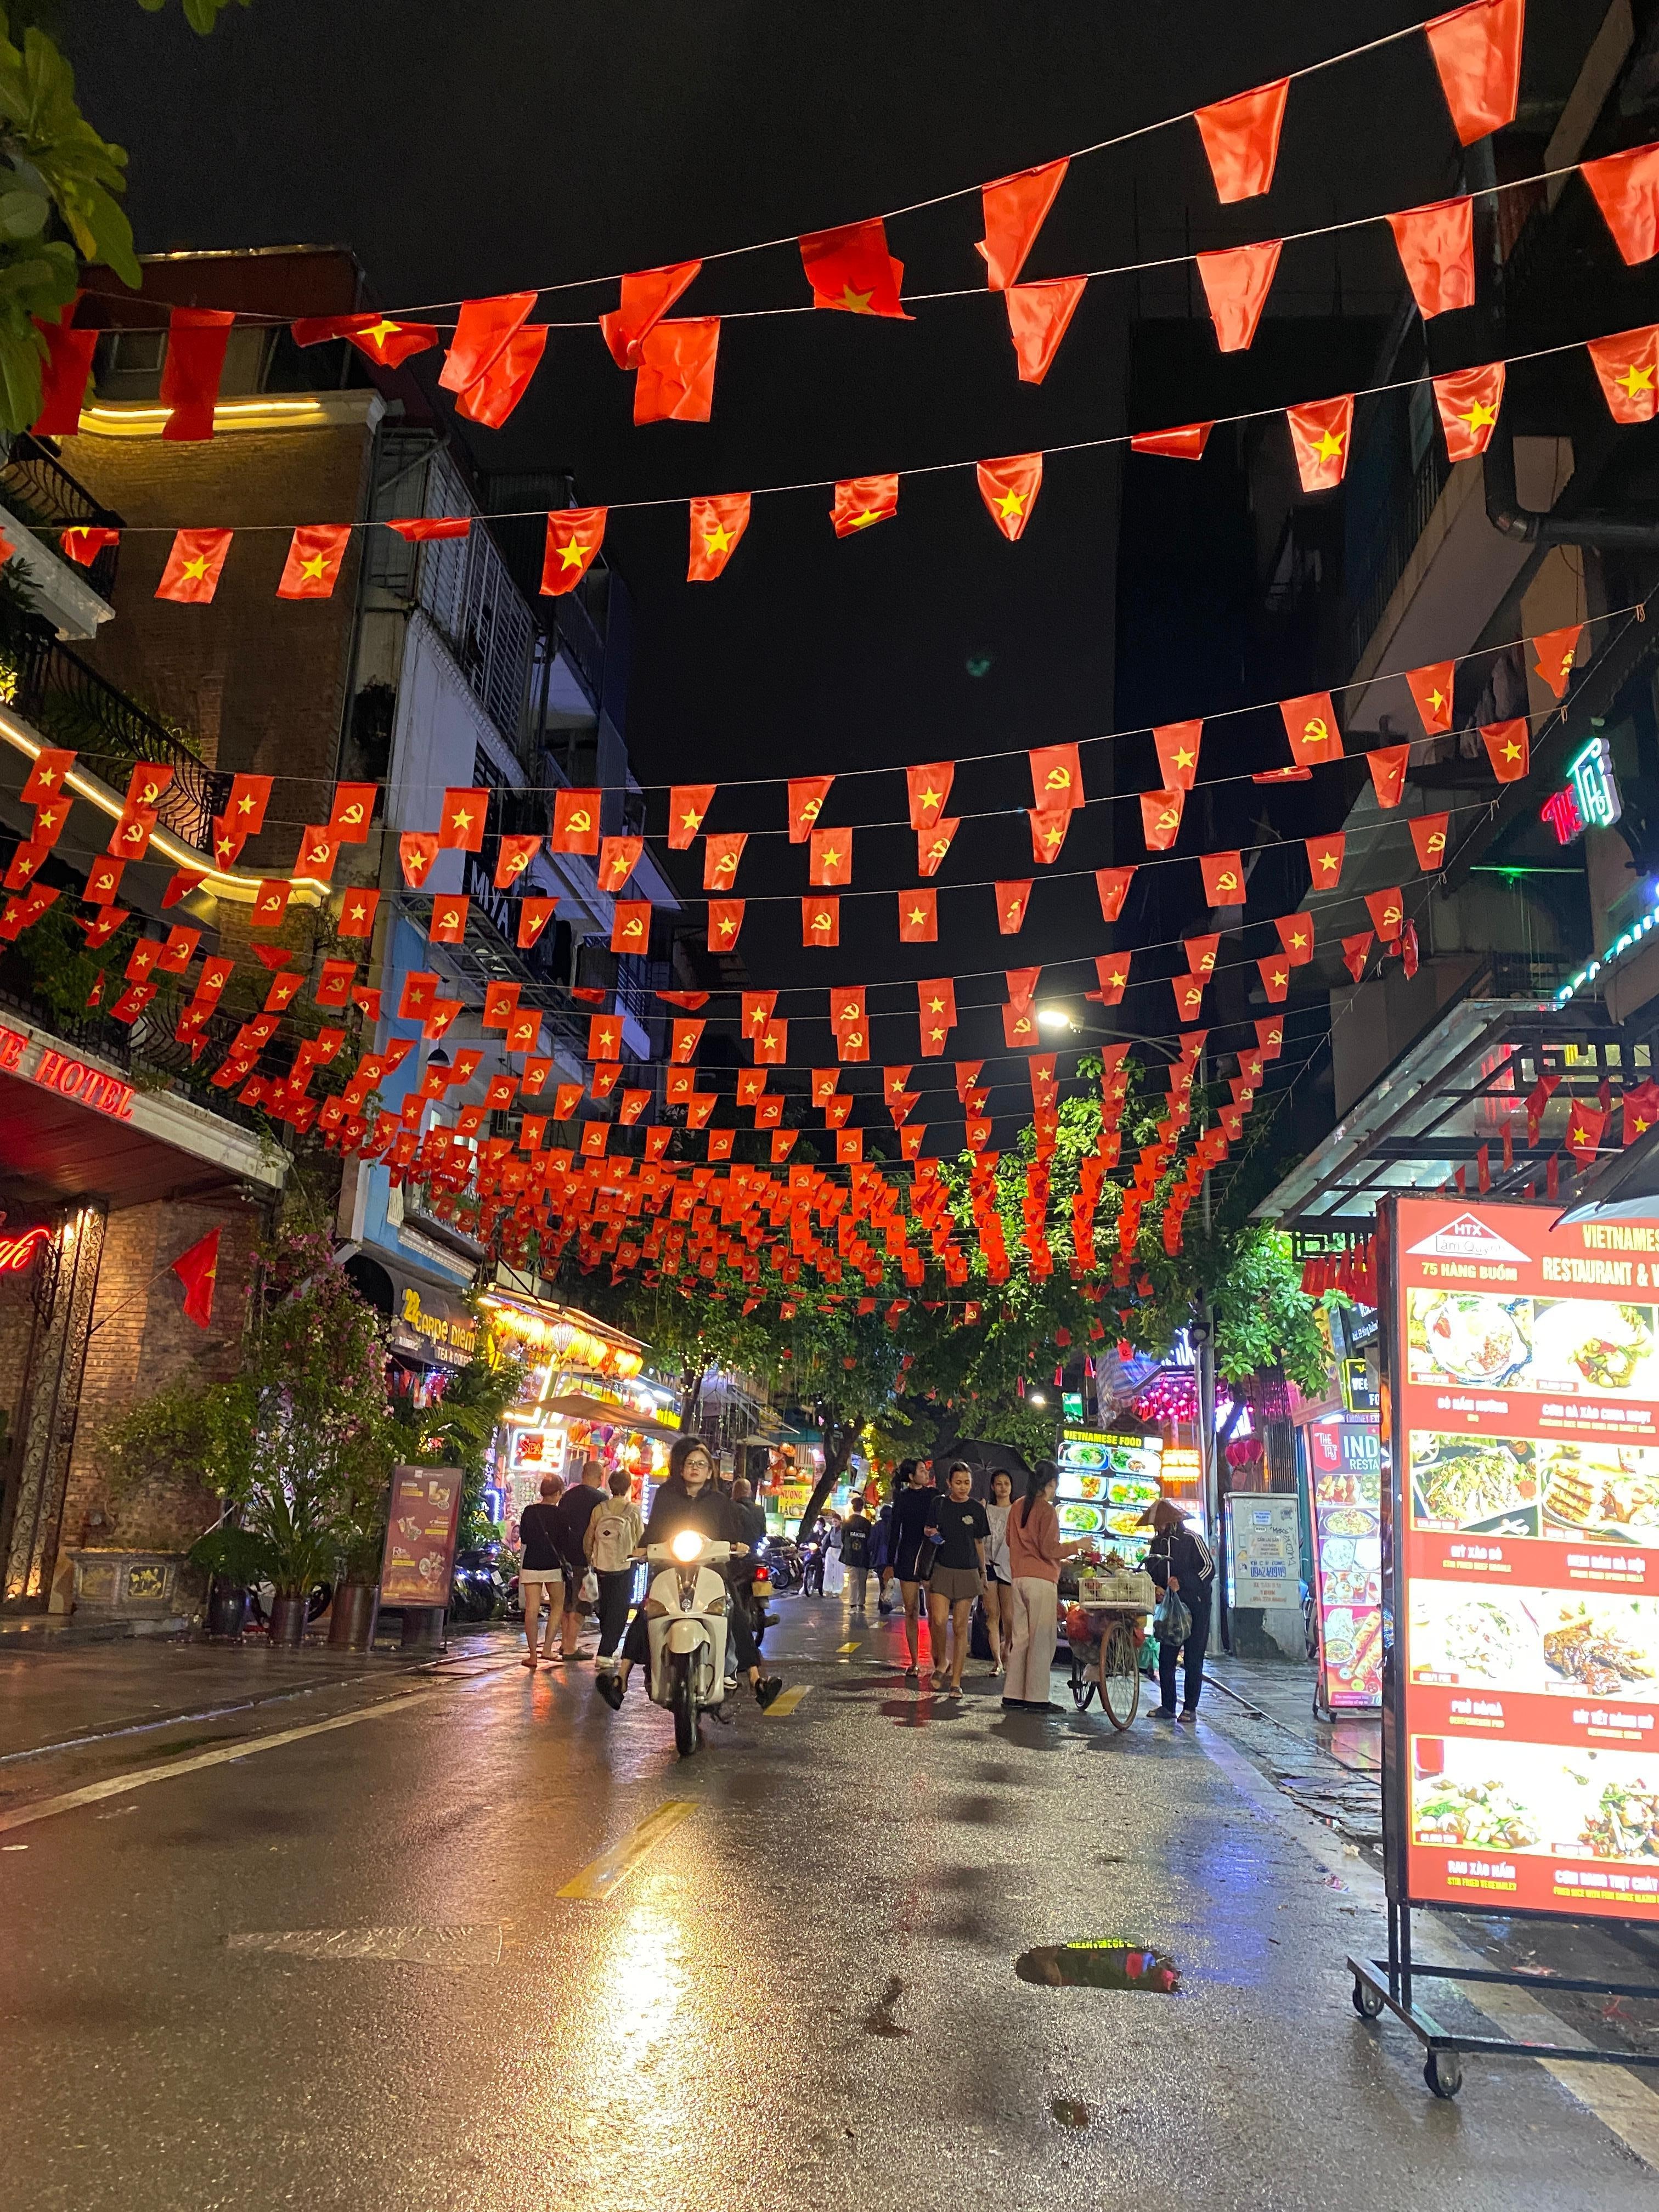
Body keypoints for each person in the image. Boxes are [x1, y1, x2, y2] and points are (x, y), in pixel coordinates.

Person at [598, 1436, 782, 1709]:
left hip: (711, 1569)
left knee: (734, 1610)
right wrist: (643, 1548)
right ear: (682, 1469)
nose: (695, 1468)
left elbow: (731, 1536)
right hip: (670, 1566)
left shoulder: (720, 1502)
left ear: (710, 1472)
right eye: (690, 1463)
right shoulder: (666, 1496)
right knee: (649, 1609)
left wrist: (737, 1546)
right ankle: (621, 1679)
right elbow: (654, 1529)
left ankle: (757, 1680)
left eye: (701, 1464)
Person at [1002, 1462, 1090, 1712]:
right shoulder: (1047, 1510)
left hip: (1018, 1578)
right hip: (1041, 1581)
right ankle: (1036, 1698)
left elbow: (1009, 1540)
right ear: (1050, 1484)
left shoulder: (1018, 1506)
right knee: (1042, 1639)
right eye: (1055, 1486)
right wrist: (1077, 1545)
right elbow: (1049, 1549)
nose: (1055, 1491)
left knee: (1021, 1638)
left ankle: (1013, 1695)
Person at [1142, 1499, 1217, 1721]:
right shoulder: (1156, 1544)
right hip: (1170, 1608)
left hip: (1196, 1606)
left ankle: (1190, 1709)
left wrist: (1182, 1582)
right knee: (1167, 1656)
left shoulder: (1192, 1539)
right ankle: (1168, 1706)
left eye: (1161, 1523)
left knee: (1193, 1658)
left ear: (1172, 1521)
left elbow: (1208, 1569)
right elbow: (1152, 1571)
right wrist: (1155, 1587)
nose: (1157, 1527)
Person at [926, 1463, 990, 1694]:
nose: (963, 1487)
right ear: (949, 1483)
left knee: (961, 1627)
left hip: (968, 1571)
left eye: (967, 1483)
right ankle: (942, 1661)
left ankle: (956, 1682)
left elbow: (979, 1543)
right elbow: (928, 1530)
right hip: (942, 1568)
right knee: (939, 1620)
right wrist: (932, 1534)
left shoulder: (977, 1509)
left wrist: (983, 1573)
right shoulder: (939, 1503)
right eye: (958, 1482)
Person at [584, 1468, 644, 1673]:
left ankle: (607, 1646)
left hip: (601, 1565)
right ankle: (606, 1653)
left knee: (606, 1606)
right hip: (625, 1565)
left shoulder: (599, 1509)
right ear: (628, 1487)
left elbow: (589, 1538)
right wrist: (642, 1556)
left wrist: (590, 1558)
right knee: (619, 1609)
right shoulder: (633, 1510)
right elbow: (640, 1538)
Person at [550, 1457, 606, 1659]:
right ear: (600, 1477)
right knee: (581, 1603)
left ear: (583, 1475)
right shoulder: (600, 1499)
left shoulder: (567, 1497)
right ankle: (571, 1647)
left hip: (563, 1558)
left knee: (566, 1603)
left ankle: (565, 1644)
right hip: (584, 1557)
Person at [888, 1459, 939, 1679]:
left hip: (929, 1554)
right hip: (908, 1556)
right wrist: (889, 1564)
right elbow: (894, 1531)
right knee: (911, 1610)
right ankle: (915, 1661)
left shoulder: (934, 1496)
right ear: (911, 1477)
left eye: (926, 1470)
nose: (926, 1473)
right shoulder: (901, 1498)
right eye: (921, 1470)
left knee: (934, 1612)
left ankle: (938, 1659)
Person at [516, 1475, 564, 1669]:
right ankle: (547, 1649)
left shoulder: (530, 1511)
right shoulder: (560, 1514)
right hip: (553, 1564)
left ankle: (532, 1656)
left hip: (532, 1563)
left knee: (532, 1609)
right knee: (557, 1605)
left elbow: (525, 1538)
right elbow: (564, 1540)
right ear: (558, 1493)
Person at [981, 1468, 1016, 1675]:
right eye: (999, 1484)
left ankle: (1008, 1645)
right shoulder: (985, 1509)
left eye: (1006, 1484)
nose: (1003, 1488)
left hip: (1008, 1565)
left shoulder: (1016, 1511)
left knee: (1009, 1616)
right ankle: (997, 1661)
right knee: (992, 1614)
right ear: (993, 1487)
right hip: (987, 1564)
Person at [839, 1497, 873, 1611]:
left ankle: (852, 1603)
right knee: (862, 1580)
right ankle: (861, 1602)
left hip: (850, 1555)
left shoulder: (847, 1522)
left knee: (853, 1579)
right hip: (864, 1556)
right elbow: (870, 1540)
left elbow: (843, 1538)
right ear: (862, 1508)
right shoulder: (867, 1523)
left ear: (853, 1508)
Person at [872, 1497, 896, 1613]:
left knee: (883, 1582)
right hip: (892, 1559)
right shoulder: (894, 1526)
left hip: (880, 1558)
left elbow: (871, 1542)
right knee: (888, 1582)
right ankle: (885, 1603)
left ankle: (883, 1604)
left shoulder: (877, 1526)